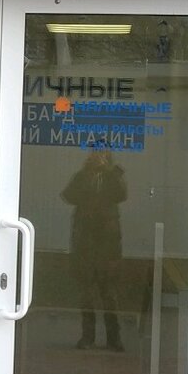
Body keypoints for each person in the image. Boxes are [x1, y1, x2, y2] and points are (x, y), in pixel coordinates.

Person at [61, 147, 126, 351]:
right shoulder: (82, 176)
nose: (98, 158)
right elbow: (68, 196)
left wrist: (109, 171)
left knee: (109, 293)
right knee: (86, 293)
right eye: (95, 154)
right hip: (85, 243)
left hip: (108, 245)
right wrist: (86, 172)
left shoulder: (114, 175)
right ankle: (87, 337)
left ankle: (114, 338)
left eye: (102, 155)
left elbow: (122, 195)